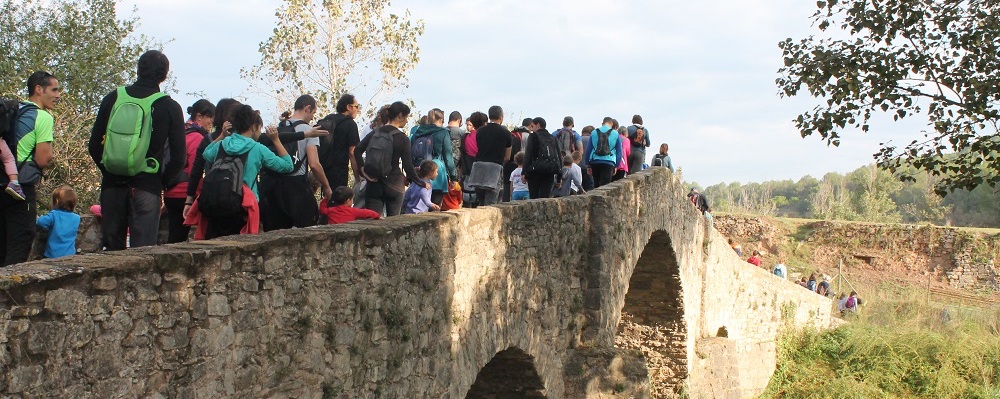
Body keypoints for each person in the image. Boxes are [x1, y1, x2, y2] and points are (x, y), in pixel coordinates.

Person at [88, 51, 185, 250]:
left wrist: (109, 168)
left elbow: (93, 146)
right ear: (164, 75)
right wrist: (159, 181)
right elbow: (178, 159)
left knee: (112, 252)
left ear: (138, 69)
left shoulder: (113, 98)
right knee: (143, 253)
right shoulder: (169, 106)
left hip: (112, 186)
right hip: (146, 187)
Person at [199, 104, 293, 238]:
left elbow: (206, 154)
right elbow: (287, 166)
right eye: (259, 128)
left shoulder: (223, 144)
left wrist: (221, 136)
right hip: (243, 208)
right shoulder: (257, 148)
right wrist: (276, 140)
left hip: (215, 203)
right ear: (254, 127)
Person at [0, 71, 58, 265]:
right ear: (39, 90)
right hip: (21, 188)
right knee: (20, 241)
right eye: (54, 90)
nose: (58, 95)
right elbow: (43, 158)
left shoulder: (14, 111)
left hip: (3, 180)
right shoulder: (42, 117)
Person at [259, 95, 331, 231]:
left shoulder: (279, 127)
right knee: (306, 229)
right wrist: (326, 186)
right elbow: (314, 164)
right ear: (307, 108)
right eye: (314, 113)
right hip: (295, 186)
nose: (312, 117)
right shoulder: (310, 131)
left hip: (271, 186)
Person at [354, 101, 422, 216]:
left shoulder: (375, 133)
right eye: (406, 117)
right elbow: (408, 166)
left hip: (373, 183)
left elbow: (357, 150)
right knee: (394, 225)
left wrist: (363, 171)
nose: (407, 121)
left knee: (373, 223)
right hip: (394, 184)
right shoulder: (402, 138)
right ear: (400, 115)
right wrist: (419, 182)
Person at [163, 99, 215, 243]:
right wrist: (194, 196)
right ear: (199, 116)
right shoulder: (197, 137)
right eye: (209, 119)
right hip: (184, 193)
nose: (210, 124)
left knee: (174, 235)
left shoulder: (178, 132)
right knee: (180, 238)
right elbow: (195, 170)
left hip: (169, 191)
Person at [183, 98, 241, 220]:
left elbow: (196, 171)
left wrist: (189, 200)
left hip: (211, 196)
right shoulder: (244, 140)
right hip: (238, 196)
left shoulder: (207, 140)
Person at [410, 109, 457, 205]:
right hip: (437, 172)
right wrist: (453, 177)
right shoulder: (443, 133)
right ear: (441, 120)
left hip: (419, 171)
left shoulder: (418, 132)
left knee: (418, 206)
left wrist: (410, 175)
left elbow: (410, 154)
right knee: (434, 208)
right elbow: (448, 157)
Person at [318, 94, 362, 189]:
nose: (357, 110)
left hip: (323, 169)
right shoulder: (350, 124)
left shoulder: (327, 119)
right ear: (348, 107)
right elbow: (352, 152)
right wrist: (357, 177)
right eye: (356, 107)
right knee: (338, 201)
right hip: (339, 171)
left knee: (327, 199)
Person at [471, 106, 512, 206]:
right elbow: (507, 157)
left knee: (481, 202)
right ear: (501, 117)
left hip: (479, 168)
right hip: (495, 170)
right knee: (491, 204)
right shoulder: (506, 133)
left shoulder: (480, 131)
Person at [35, 186, 80, 259]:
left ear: (56, 201)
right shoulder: (77, 218)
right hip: (70, 255)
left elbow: (40, 222)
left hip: (53, 255)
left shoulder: (54, 215)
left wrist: (38, 218)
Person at [521, 117, 561, 199]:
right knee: (545, 197)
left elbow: (528, 154)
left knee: (534, 197)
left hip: (535, 170)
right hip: (549, 170)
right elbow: (558, 156)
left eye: (532, 126)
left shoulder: (533, 136)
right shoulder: (553, 138)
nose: (531, 129)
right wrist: (559, 176)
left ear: (538, 125)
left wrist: (524, 172)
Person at [584, 117, 623, 188]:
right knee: (605, 187)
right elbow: (619, 152)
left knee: (596, 185)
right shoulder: (615, 133)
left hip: (595, 161)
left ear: (602, 123)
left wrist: (588, 164)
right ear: (611, 124)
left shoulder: (594, 132)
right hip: (609, 162)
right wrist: (616, 165)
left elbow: (588, 149)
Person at [502, 118, 530, 202]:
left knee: (506, 187)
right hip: (523, 166)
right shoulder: (528, 136)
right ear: (530, 125)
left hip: (508, 164)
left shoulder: (512, 134)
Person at [447, 111, 465, 176]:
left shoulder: (441, 131)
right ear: (459, 120)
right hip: (456, 168)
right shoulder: (463, 133)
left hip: (442, 167)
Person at [579, 125, 595, 191]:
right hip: (589, 167)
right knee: (589, 188)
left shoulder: (578, 139)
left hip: (578, 167)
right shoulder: (592, 140)